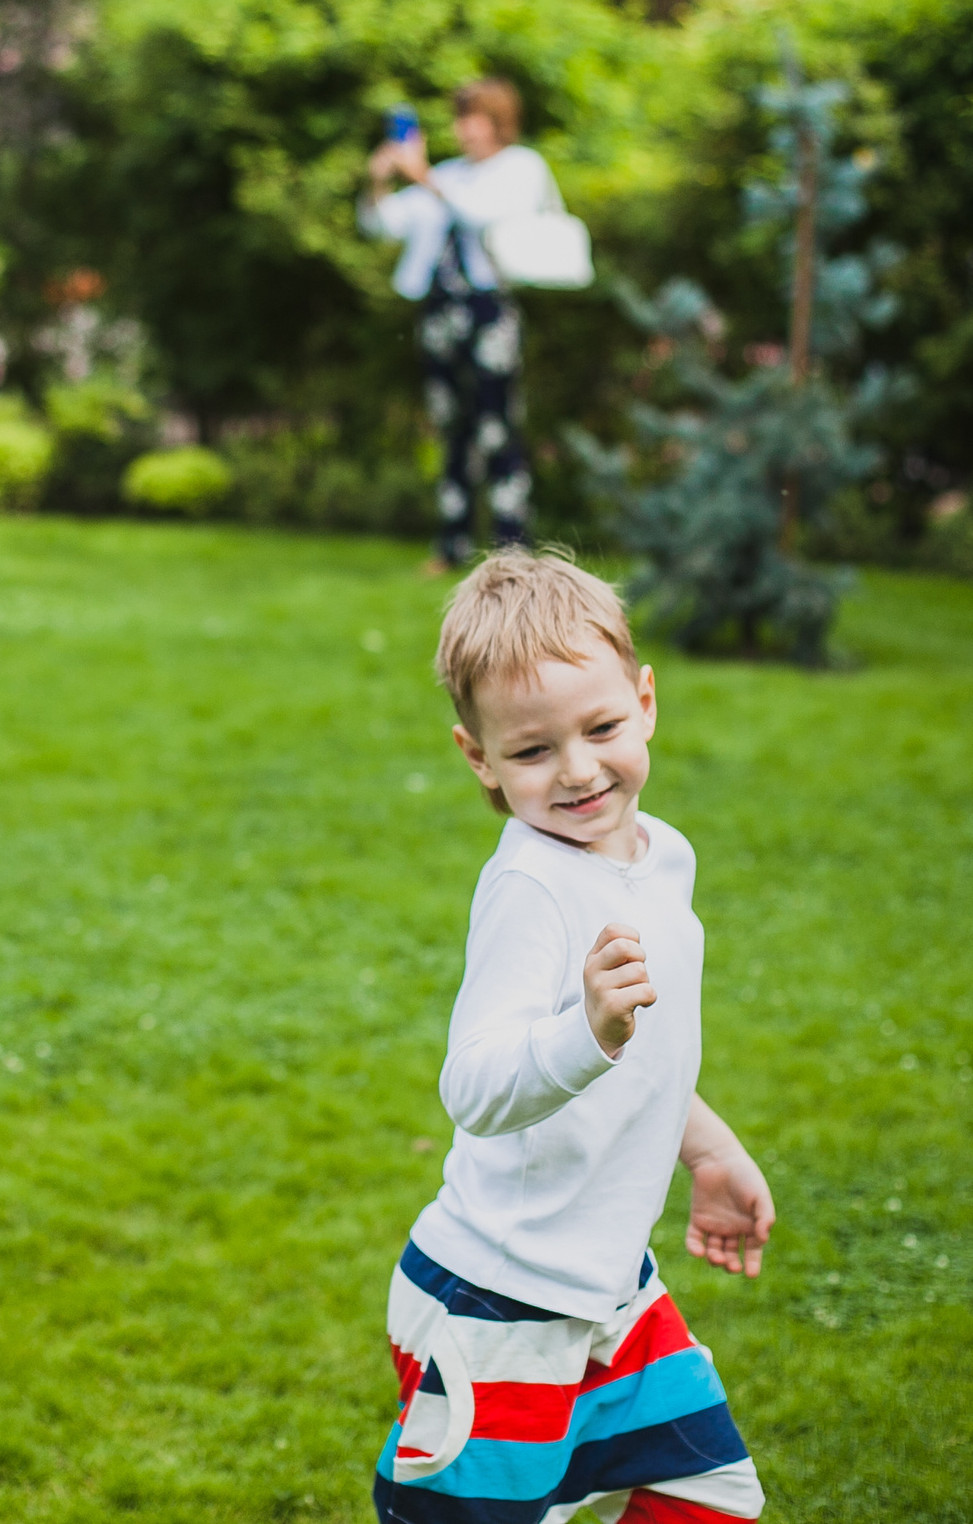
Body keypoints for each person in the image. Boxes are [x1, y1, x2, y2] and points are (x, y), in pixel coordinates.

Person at [374, 549, 775, 1524]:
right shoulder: (530, 889)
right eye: (532, 750)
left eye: (600, 727)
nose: (579, 770)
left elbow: (654, 1050)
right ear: (478, 757)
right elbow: (473, 1086)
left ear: (644, 700)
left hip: (606, 1286)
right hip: (498, 1297)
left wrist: (708, 1150)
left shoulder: (658, 857)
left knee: (708, 1495)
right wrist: (584, 1031)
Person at [363, 79, 562, 576]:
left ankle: (512, 550)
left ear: (497, 121)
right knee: (452, 430)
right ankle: (450, 546)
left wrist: (424, 176)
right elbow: (384, 225)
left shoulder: (520, 168)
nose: (463, 128)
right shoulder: (449, 173)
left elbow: (481, 215)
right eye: (460, 118)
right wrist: (381, 180)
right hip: (439, 314)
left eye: (472, 117)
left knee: (498, 427)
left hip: (489, 312)